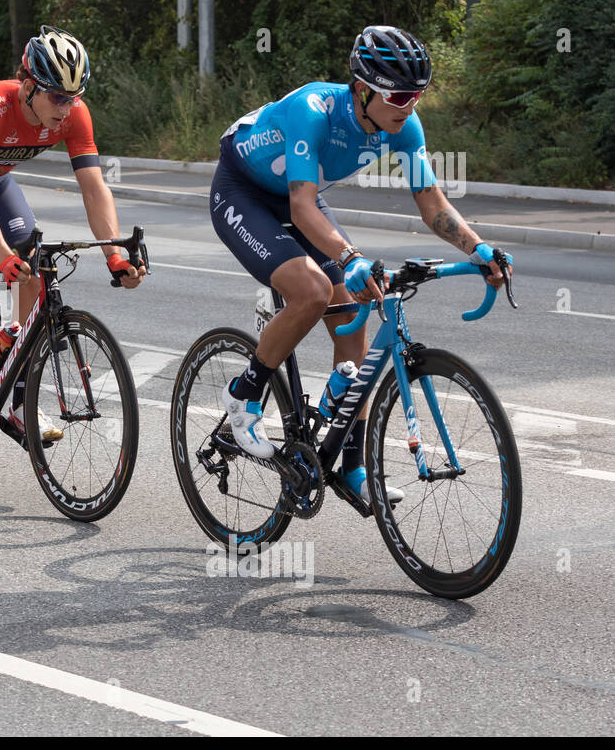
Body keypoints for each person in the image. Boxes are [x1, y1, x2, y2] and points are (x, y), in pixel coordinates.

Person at [209, 25, 512, 504]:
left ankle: (350, 465)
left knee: (353, 318)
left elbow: (431, 201)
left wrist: (477, 248)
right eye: (398, 96)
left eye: (417, 95)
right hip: (243, 193)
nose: (409, 106)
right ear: (363, 88)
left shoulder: (403, 126)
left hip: (297, 200)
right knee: (312, 291)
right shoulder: (314, 110)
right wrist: (348, 257)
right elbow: (302, 206)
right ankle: (243, 395)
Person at [0, 25, 144, 441]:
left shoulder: (73, 115)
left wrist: (115, 255)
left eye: (73, 97)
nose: (66, 107)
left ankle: (17, 398)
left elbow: (93, 188)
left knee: (34, 270)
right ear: (29, 85)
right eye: (57, 96)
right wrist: (2, 258)